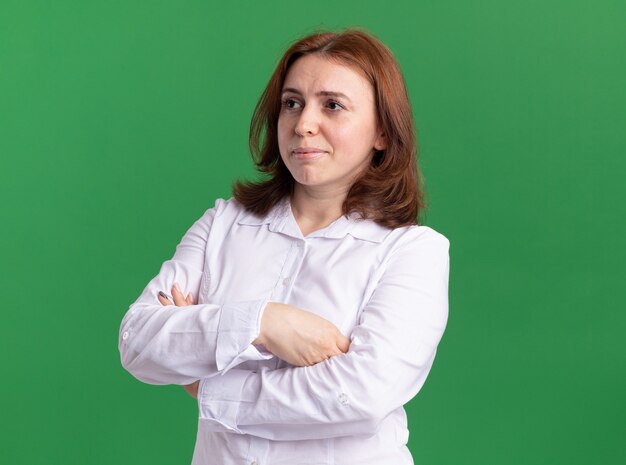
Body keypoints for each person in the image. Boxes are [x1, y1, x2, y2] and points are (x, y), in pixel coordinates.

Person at [119, 28, 450, 465]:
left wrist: (209, 379)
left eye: (332, 105)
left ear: (382, 132)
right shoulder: (224, 222)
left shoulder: (412, 252)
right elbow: (138, 342)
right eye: (292, 103)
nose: (303, 124)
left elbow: (359, 394)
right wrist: (264, 322)